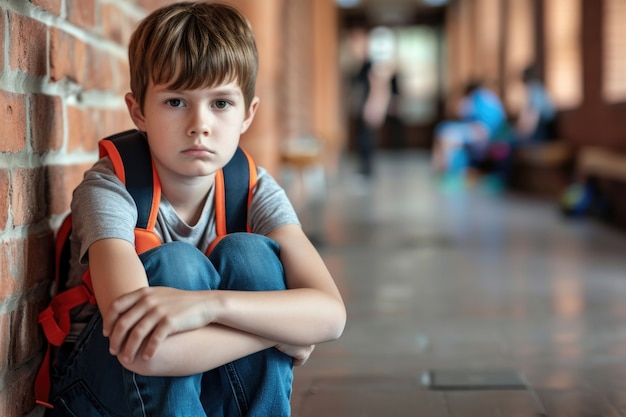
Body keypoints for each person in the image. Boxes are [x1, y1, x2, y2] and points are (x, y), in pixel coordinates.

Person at [44, 3, 346, 416]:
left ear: (247, 115)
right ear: (138, 111)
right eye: (175, 102)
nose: (199, 124)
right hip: (107, 395)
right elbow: (144, 353)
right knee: (177, 266)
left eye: (221, 103)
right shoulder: (110, 188)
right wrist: (275, 330)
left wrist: (211, 306)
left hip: (205, 383)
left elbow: (330, 315)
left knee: (251, 255)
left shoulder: (253, 187)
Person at [431, 80, 507, 176]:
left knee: (446, 134)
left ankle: (444, 171)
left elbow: (463, 113)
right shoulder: (490, 97)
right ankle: (444, 170)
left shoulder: (477, 97)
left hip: (482, 134)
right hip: (491, 134)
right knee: (446, 132)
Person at [514, 65, 555, 144]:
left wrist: (524, 132)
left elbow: (535, 113)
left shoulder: (535, 88)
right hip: (542, 125)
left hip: (545, 127)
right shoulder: (534, 88)